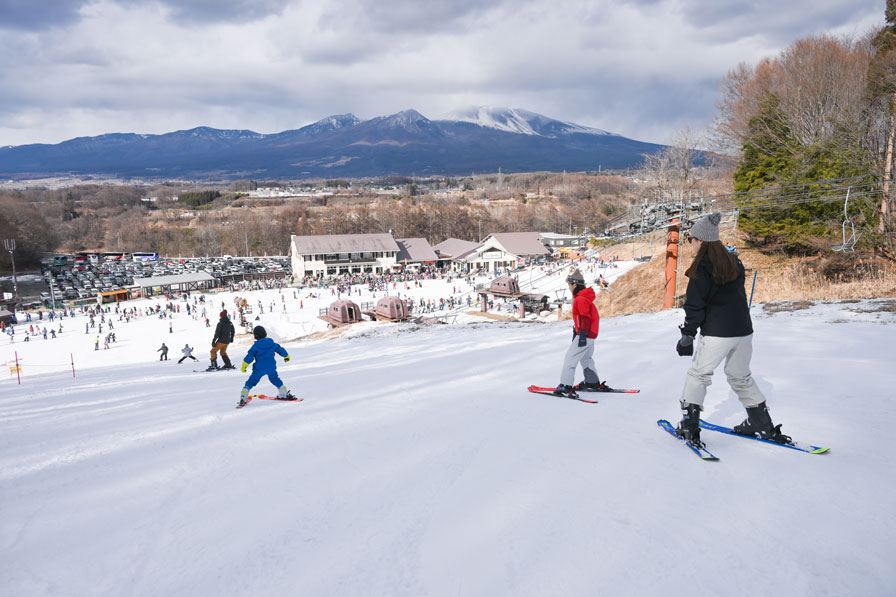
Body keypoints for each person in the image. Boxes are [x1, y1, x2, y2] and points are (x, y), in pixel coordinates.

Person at [674, 213, 790, 447]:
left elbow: (695, 305)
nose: (691, 244)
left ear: (701, 240)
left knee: (698, 375)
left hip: (717, 333)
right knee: (740, 376)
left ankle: (689, 425)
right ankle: (761, 423)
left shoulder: (702, 267)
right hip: (743, 330)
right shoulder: (734, 262)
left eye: (691, 239)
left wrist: (688, 334)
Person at [553, 268, 605, 397]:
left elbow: (585, 318)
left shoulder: (580, 299)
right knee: (586, 358)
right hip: (590, 334)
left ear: (575, 285)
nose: (569, 287)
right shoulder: (583, 298)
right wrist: (577, 332)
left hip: (585, 334)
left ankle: (565, 386)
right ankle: (592, 382)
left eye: (570, 285)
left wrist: (581, 335)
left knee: (570, 359)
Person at [237, 326, 295, 407]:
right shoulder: (271, 343)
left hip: (259, 368)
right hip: (271, 367)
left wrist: (244, 366)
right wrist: (286, 356)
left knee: (251, 381)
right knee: (275, 379)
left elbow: (249, 356)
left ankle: (244, 396)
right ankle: (284, 393)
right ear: (265, 334)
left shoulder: (255, 346)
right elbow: (279, 349)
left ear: (255, 336)